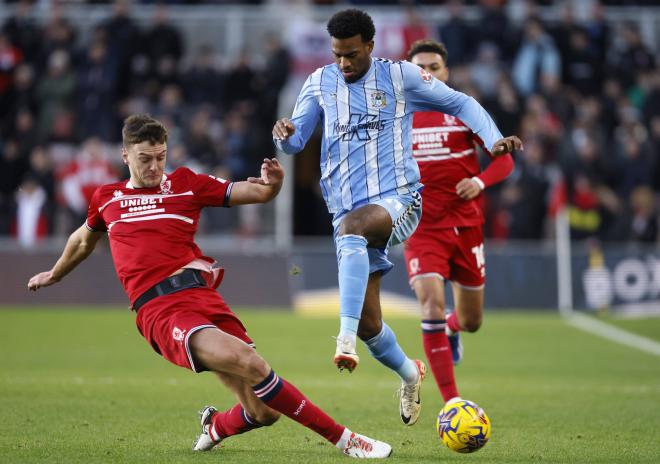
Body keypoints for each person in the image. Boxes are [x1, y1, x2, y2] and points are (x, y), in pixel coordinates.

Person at [27, 114, 392, 459]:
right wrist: (55, 273)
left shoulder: (186, 183)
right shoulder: (107, 198)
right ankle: (347, 441)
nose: (154, 167)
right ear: (125, 156)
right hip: (160, 310)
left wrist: (273, 184)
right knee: (248, 361)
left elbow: (257, 193)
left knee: (264, 411)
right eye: (144, 159)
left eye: (160, 157)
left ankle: (215, 425)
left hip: (203, 297)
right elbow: (81, 240)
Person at [272, 9, 521, 427]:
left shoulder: (401, 77)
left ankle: (343, 338)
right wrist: (284, 134)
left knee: (355, 234)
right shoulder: (319, 82)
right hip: (347, 212)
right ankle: (409, 372)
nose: (344, 63)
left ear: (370, 46)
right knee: (373, 325)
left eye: (351, 54)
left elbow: (460, 101)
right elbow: (296, 141)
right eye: (338, 55)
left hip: (401, 201)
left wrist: (494, 139)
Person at [404, 39, 515, 405]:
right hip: (422, 229)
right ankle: (453, 402)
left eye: (434, 67)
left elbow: (503, 159)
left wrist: (480, 181)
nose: (428, 74)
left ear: (445, 72)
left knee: (471, 321)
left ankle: (453, 328)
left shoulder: (464, 110)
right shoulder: (397, 116)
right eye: (420, 68)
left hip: (466, 227)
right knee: (431, 304)